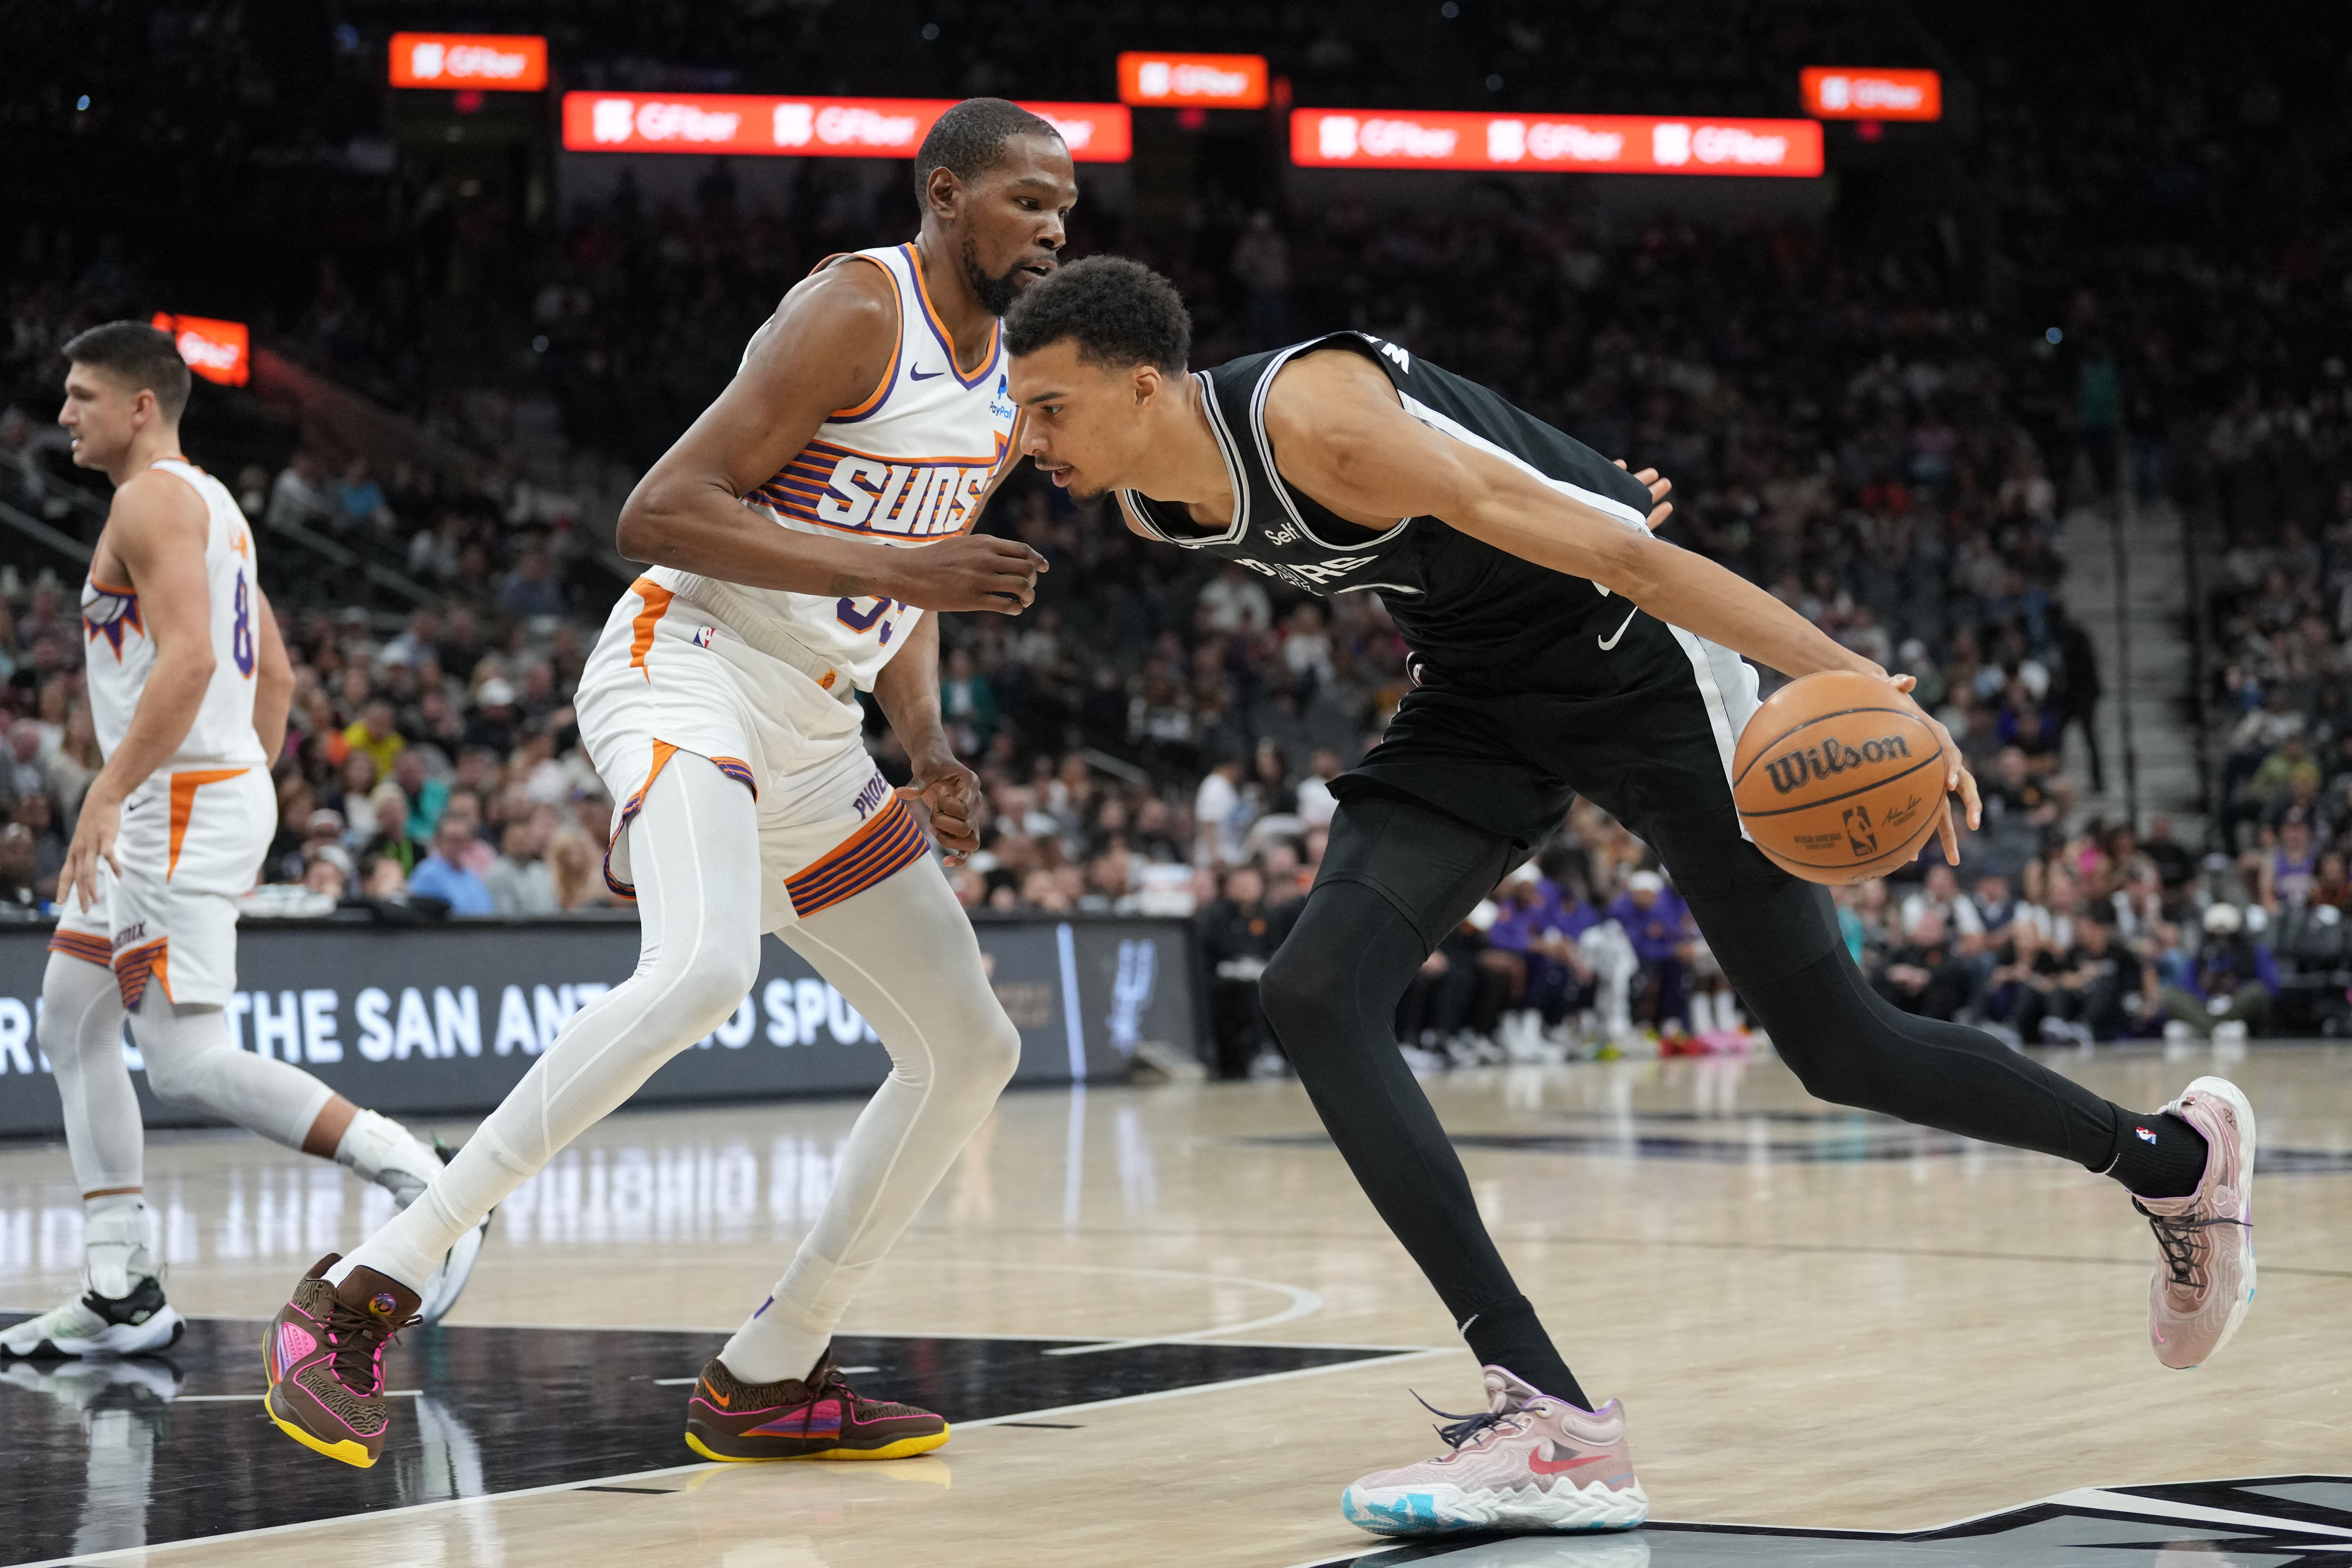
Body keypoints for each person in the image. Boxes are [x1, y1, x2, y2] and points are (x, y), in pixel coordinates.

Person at [1002, 257, 2257, 1538]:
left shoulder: (1316, 423)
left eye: (1047, 407)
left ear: (1144, 385)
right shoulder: (1151, 502)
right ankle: (1546, 1411)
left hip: (1637, 667)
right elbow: (1476, 470)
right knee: (1314, 990)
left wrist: (1859, 683)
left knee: (1839, 1048)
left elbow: (1626, 555)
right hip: (1476, 692)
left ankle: (2169, 1159)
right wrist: (1575, 473)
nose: (1028, 436)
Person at [260, 99, 1074, 1470]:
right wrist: (903, 570)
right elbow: (659, 509)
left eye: (1065, 208)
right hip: (689, 657)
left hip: (818, 728)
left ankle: (770, 1371)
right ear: (944, 194)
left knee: (971, 1046)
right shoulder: (858, 310)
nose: (1052, 227)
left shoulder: (1010, 384)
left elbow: (912, 588)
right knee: (701, 971)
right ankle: (361, 1291)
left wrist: (927, 741)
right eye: (1026, 200)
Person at [4, 322, 481, 1365]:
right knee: (70, 1018)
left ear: (142, 405)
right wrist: (245, 785)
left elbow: (188, 665)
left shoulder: (148, 501)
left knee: (185, 1060)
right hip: (192, 795)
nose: (64, 413)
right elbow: (277, 674)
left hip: (166, 800)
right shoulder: (217, 505)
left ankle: (426, 1180)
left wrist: (114, 791)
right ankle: (122, 1285)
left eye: (83, 395)